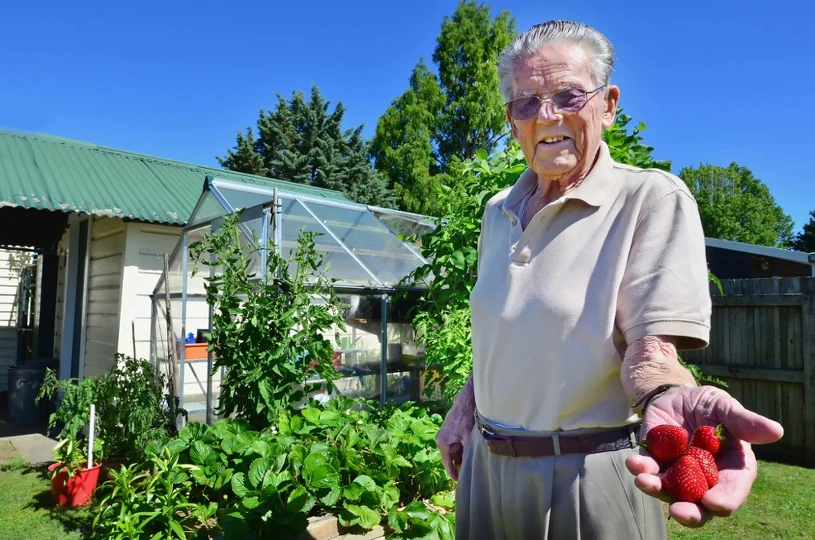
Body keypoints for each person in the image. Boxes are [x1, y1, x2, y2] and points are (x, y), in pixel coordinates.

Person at [435, 20, 785, 540]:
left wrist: (665, 395)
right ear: (512, 120)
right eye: (527, 103)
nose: (547, 116)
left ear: (609, 104)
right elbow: (505, 333)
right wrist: (464, 410)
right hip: (485, 472)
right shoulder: (497, 210)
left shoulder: (651, 198)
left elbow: (652, 348)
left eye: (568, 95)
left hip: (586, 479)